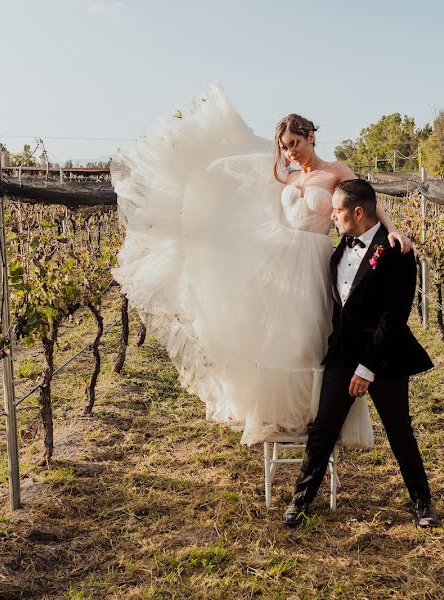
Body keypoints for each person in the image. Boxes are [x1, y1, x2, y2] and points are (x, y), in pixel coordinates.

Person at [111, 83, 410, 446]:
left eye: (295, 143)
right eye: (284, 147)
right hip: (281, 259)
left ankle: (318, 414)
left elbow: (369, 202)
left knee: (311, 337)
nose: (290, 152)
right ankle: (282, 415)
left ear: (311, 137)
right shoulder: (285, 176)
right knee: (281, 336)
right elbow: (240, 184)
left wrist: (393, 231)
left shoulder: (335, 170)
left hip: (315, 258)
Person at [283, 178, 438, 528]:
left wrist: (367, 368)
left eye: (337, 210)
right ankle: (300, 500)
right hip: (343, 353)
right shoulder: (340, 246)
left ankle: (422, 501)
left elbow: (393, 318)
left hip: (384, 356)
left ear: (357, 212)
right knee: (324, 428)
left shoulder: (397, 251)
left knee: (399, 430)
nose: (332, 216)